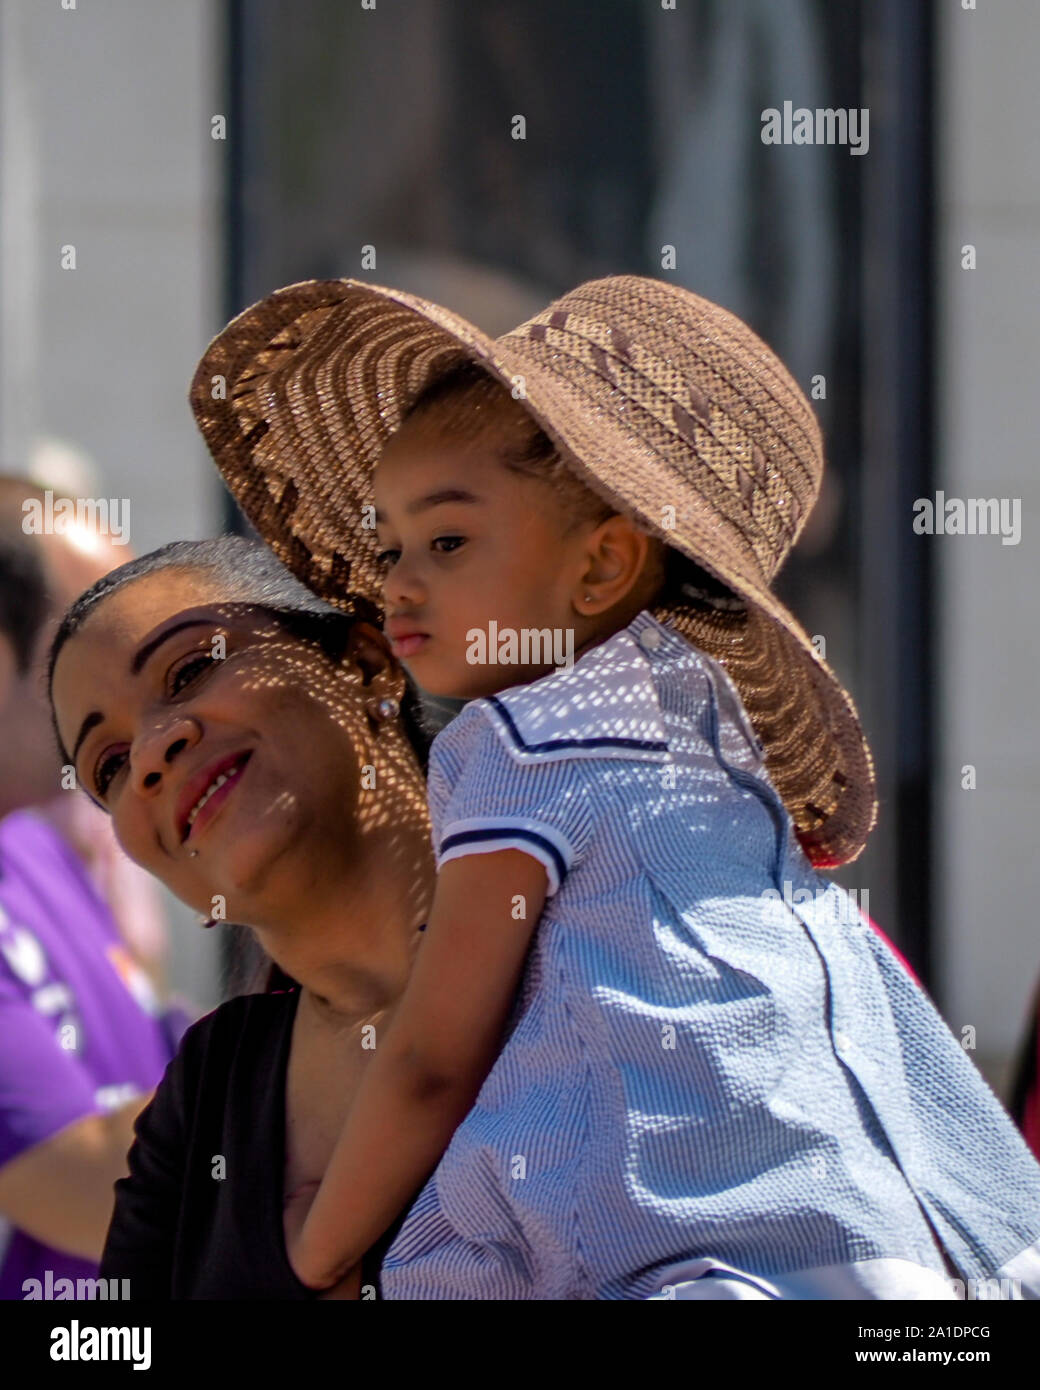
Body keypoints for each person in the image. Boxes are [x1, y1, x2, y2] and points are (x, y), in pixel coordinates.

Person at [192, 272, 1040, 1300]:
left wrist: (312, 1252)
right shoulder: (706, 757)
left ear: (597, 571)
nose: (399, 583)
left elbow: (430, 1056)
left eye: (447, 541)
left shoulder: (520, 746)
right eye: (388, 547)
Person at [48, 535, 441, 1298]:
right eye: (111, 766)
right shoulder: (205, 1097)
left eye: (190, 670)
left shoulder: (596, 934)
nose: (154, 753)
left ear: (364, 665)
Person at [0, 479, 189, 1299]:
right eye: (92, 638)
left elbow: (152, 1055)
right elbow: (83, 1185)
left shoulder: (39, 846)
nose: (136, 686)